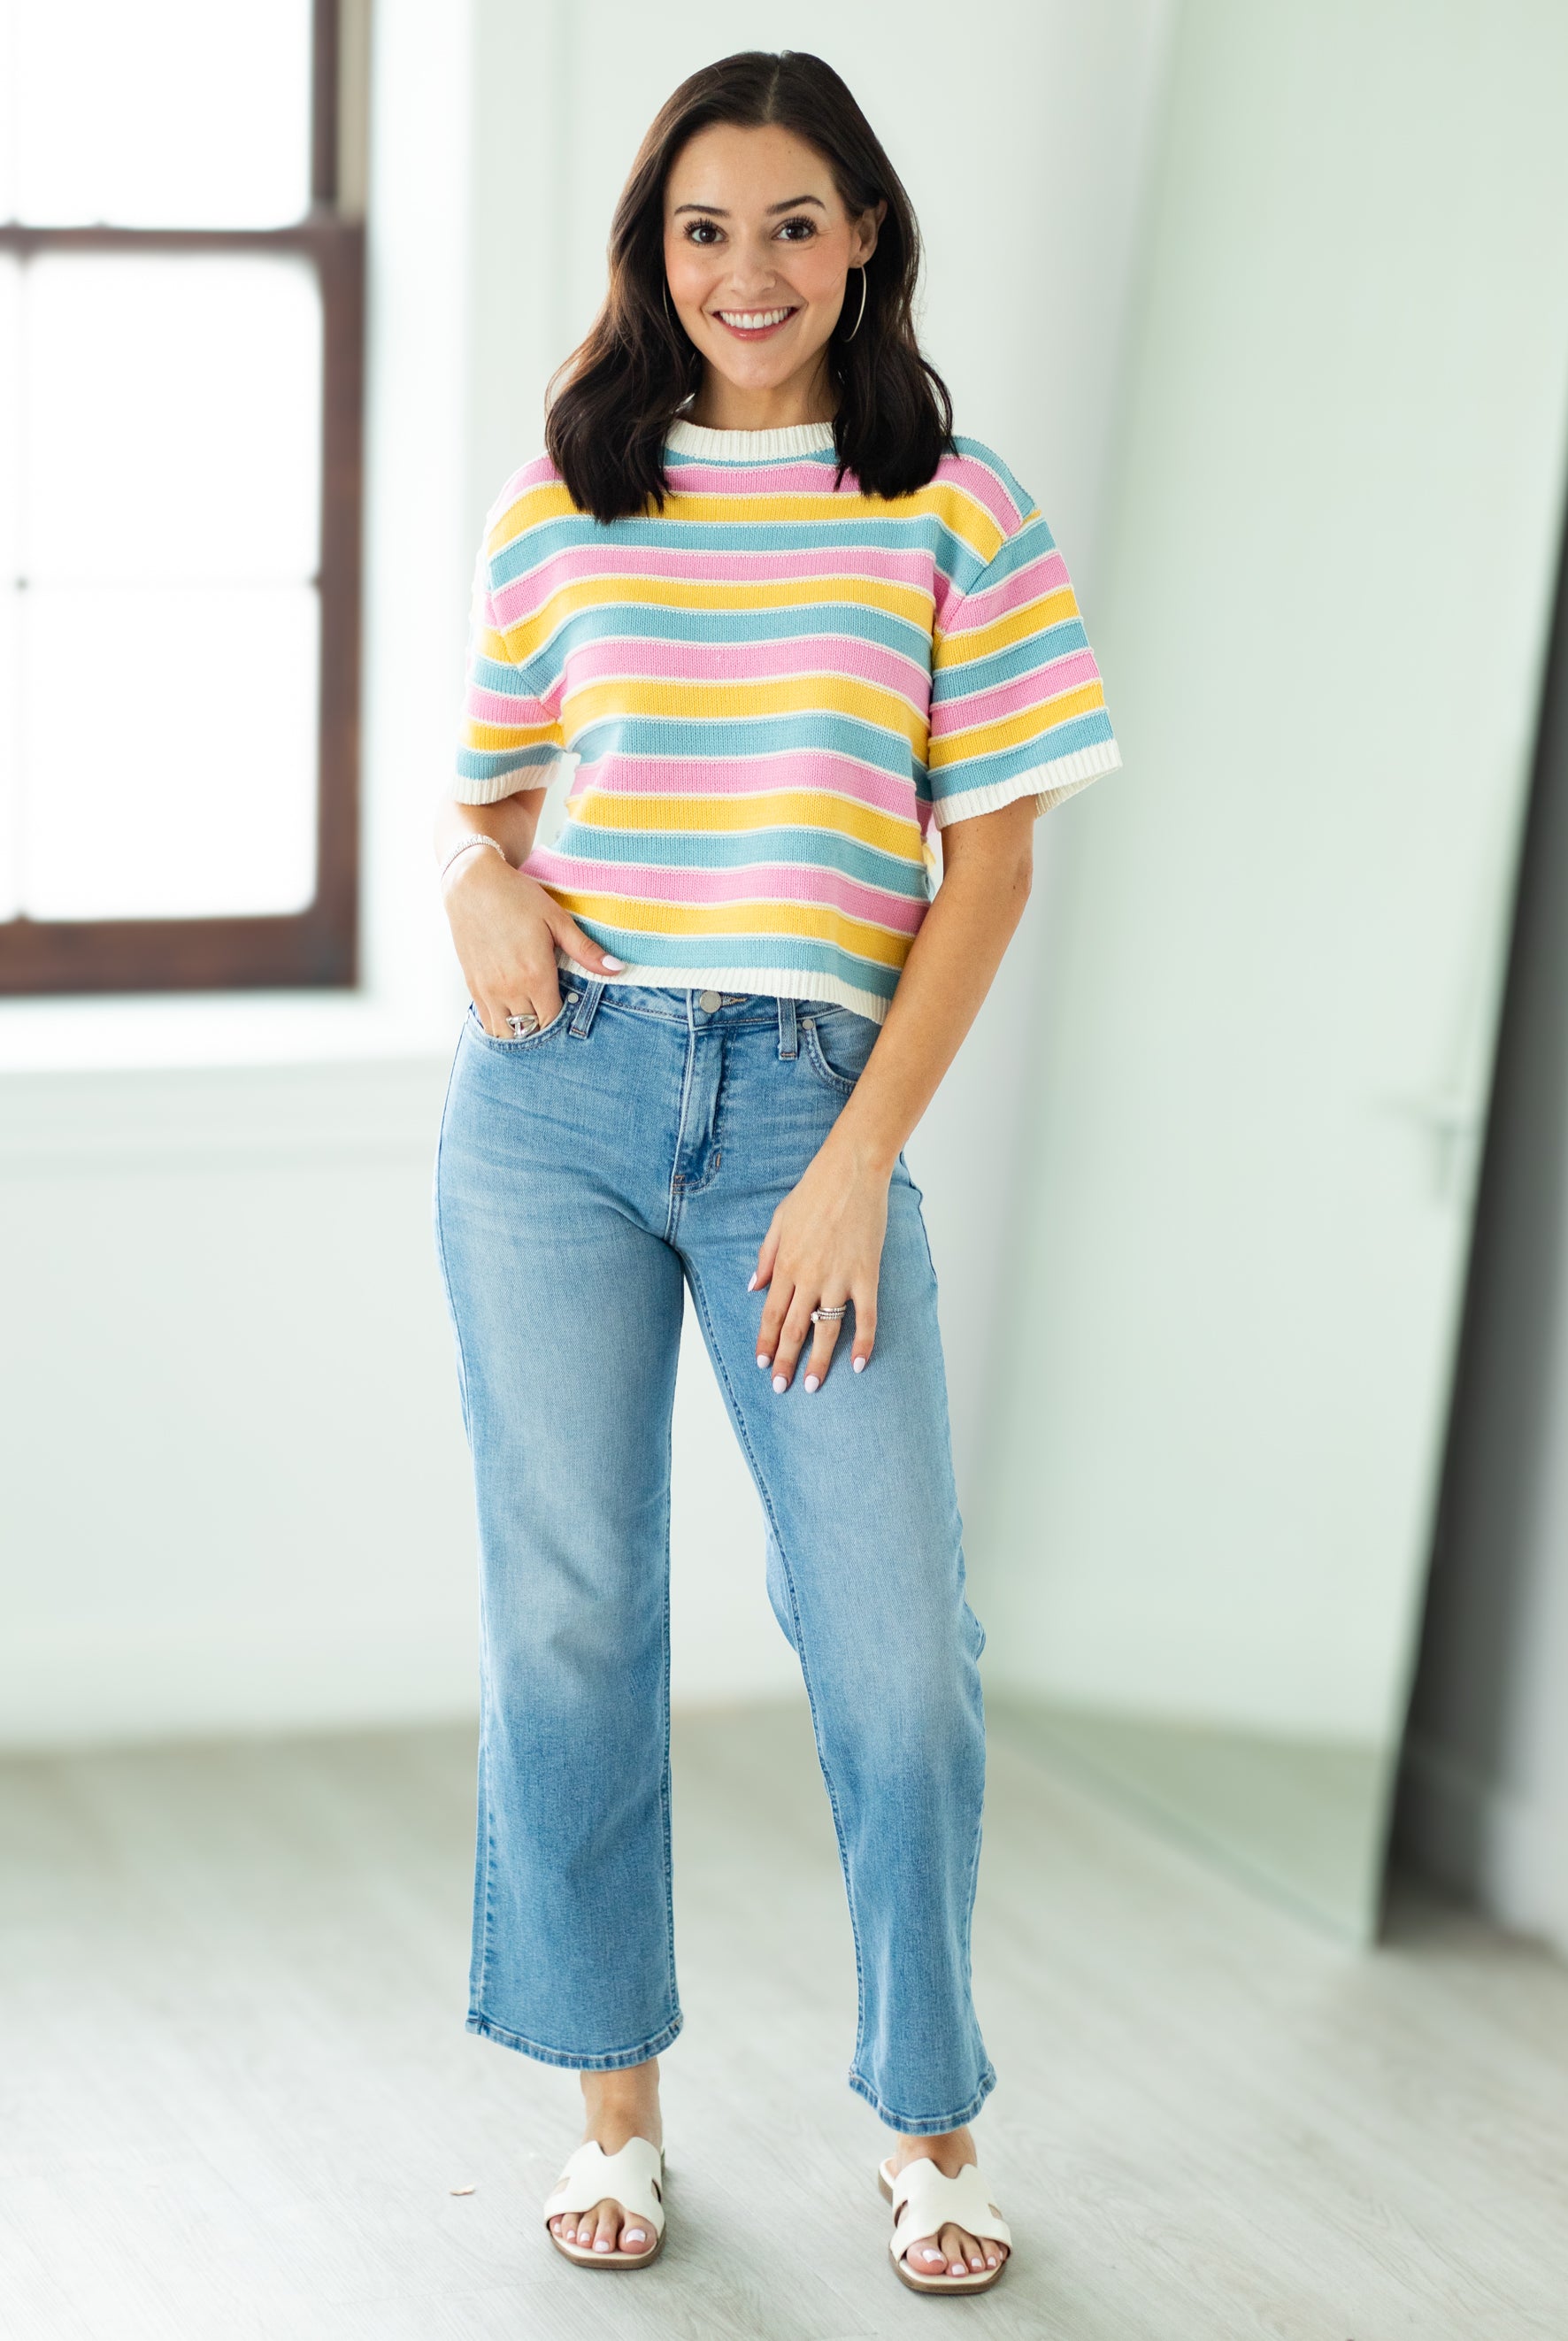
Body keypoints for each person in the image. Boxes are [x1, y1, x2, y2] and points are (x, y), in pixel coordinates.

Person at [431, 47, 1119, 2298]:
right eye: (705, 228)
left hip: (811, 1108)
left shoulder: (952, 507)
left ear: (866, 240)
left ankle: (932, 2125)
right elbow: (499, 806)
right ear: (655, 250)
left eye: (794, 223)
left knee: (893, 1648)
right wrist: (477, 894)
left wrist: (851, 1166)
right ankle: (608, 2108)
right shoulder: (568, 493)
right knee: (571, 1614)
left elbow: (989, 869)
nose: (749, 269)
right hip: (555, 1104)